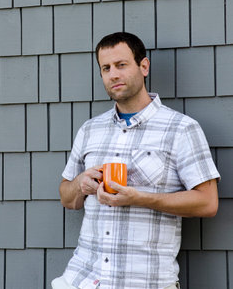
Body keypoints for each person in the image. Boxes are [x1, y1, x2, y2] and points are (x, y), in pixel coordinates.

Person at [52, 32, 220, 289]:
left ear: (144, 66)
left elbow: (207, 203)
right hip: (82, 279)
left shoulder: (180, 128)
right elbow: (67, 198)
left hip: (144, 281)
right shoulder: (90, 130)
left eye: (121, 65)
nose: (113, 75)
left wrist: (139, 198)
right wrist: (80, 184)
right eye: (105, 68)